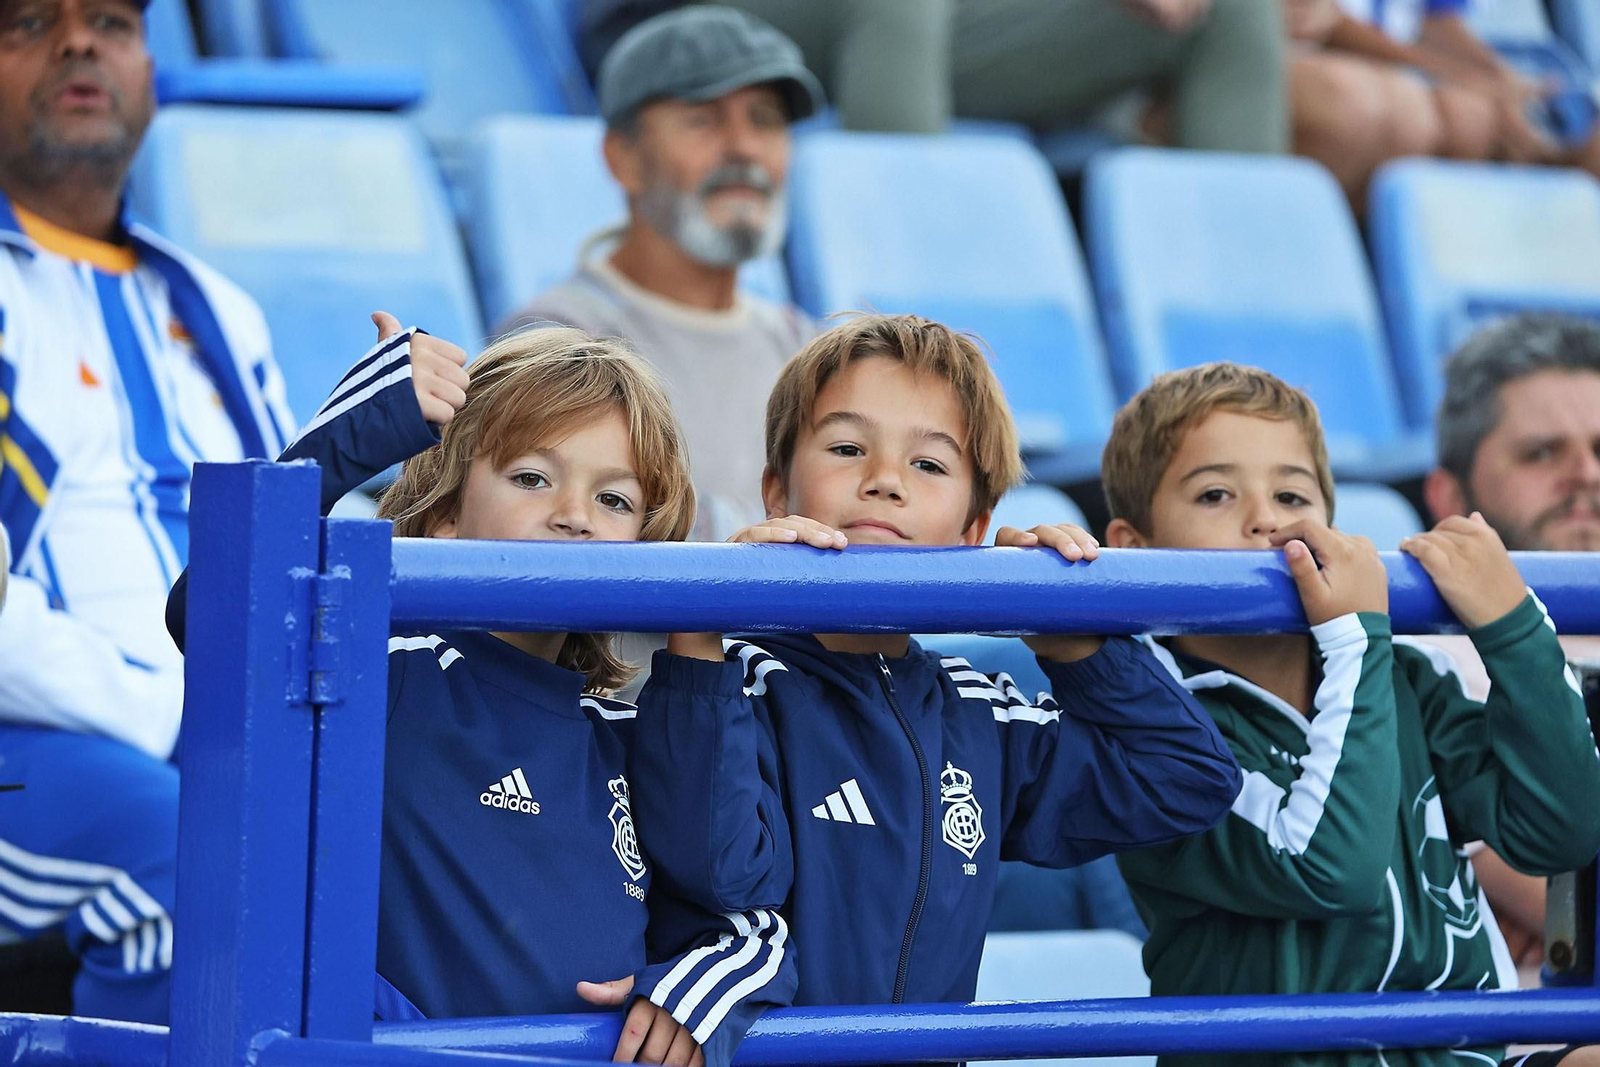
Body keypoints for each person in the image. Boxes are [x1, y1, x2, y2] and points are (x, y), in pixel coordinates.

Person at [167, 319, 793, 1067]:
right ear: (444, 516)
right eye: (532, 478)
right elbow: (216, 621)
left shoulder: (627, 733)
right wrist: (347, 441)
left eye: (614, 500)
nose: (574, 516)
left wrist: (685, 994)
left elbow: (740, 909)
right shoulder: (380, 674)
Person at [629, 313, 1242, 1012]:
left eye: (928, 464)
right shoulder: (723, 685)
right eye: (848, 447)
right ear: (776, 493)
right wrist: (701, 636)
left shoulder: (979, 714)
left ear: (974, 528)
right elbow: (716, 873)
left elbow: (1188, 778)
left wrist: (1069, 636)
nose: (885, 480)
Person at [1101, 361, 1600, 1067]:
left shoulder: (1410, 677)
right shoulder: (1147, 720)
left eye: (1291, 494)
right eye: (1215, 494)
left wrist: (1513, 628)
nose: (1266, 519)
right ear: (1134, 549)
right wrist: (1354, 637)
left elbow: (1564, 832)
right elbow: (1330, 871)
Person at [0, 0, 294, 1023]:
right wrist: (177, 718)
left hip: (208, 736)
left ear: (151, 73)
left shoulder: (218, 307)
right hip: (37, 738)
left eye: (112, 21)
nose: (79, 42)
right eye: (29, 22)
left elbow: (289, 553)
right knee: (188, 854)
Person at [502, 6, 820, 540]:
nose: (744, 147)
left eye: (765, 119)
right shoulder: (556, 340)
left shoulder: (804, 344)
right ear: (623, 158)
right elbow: (572, 524)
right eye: (703, 120)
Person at [1420, 312, 1600, 977]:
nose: (1587, 474)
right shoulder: (1431, 669)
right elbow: (1588, 918)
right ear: (1450, 495)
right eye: (1542, 453)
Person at [1286, 0, 1600, 204]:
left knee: (1470, 120)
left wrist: (1504, 81)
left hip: (1397, 81)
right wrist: (1468, 82)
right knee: (1383, 114)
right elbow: (1318, 19)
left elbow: (1434, 20)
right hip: (1323, 67)